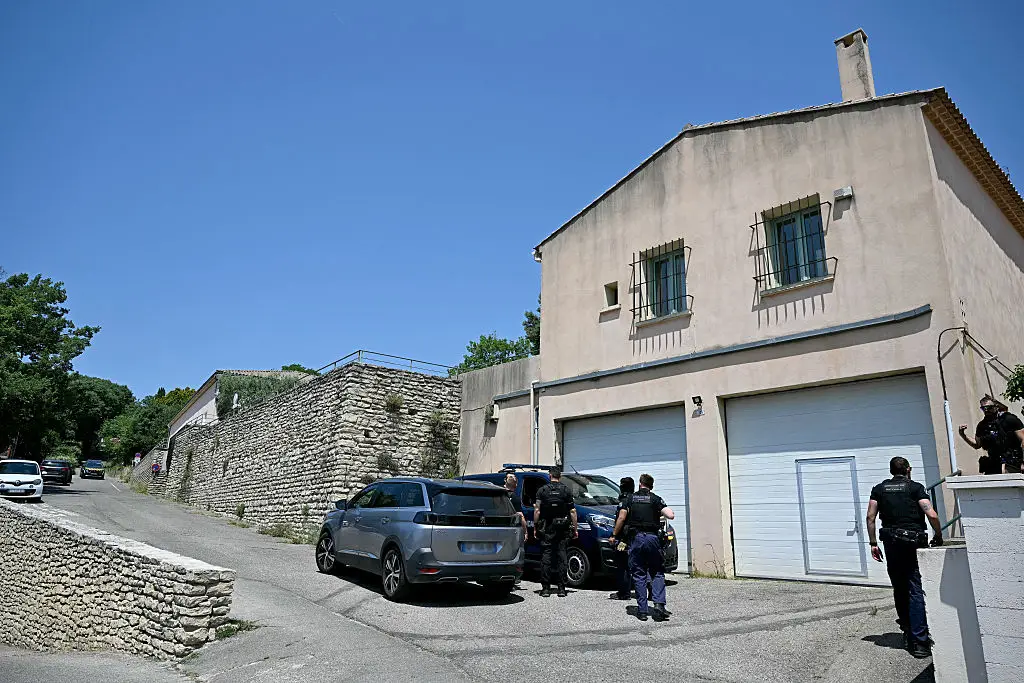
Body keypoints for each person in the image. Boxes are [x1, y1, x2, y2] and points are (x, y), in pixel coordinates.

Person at [866, 456, 943, 659]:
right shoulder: (915, 487)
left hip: (891, 542)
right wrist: (939, 535)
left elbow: (870, 517)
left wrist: (873, 543)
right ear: (908, 469)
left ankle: (908, 633)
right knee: (914, 588)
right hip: (913, 541)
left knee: (899, 587)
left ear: (891, 471)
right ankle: (920, 642)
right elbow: (932, 514)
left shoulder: (879, 489)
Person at [609, 473, 675, 622]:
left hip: (637, 539)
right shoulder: (655, 499)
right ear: (651, 486)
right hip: (652, 539)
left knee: (639, 574)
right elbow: (670, 515)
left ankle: (643, 611)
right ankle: (658, 604)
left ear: (640, 484)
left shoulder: (630, 499)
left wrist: (614, 534)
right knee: (657, 572)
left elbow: (621, 518)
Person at [533, 467, 577, 597]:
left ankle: (546, 588)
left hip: (547, 527)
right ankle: (561, 588)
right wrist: (575, 528)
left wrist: (536, 526)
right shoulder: (566, 490)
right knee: (562, 556)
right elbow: (573, 511)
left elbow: (537, 511)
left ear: (550, 475)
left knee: (546, 556)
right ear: (560, 476)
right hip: (562, 527)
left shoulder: (542, 491)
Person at [959, 395, 1024, 474]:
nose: (986, 411)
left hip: (1013, 462)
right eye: (984, 409)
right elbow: (977, 444)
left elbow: (1023, 439)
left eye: (989, 408)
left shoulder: (1008, 419)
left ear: (996, 407)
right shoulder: (982, 426)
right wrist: (963, 435)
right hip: (994, 464)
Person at [609, 476, 635, 601]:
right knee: (641, 565)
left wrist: (614, 535)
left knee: (623, 565)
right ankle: (651, 591)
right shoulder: (637, 499)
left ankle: (624, 593)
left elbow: (621, 518)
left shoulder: (624, 501)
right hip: (638, 537)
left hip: (625, 538)